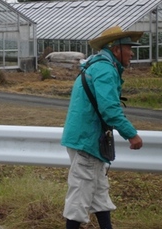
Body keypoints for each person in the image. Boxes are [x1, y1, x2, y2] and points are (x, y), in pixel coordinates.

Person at [61, 26, 144, 229]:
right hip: (87, 140)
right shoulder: (105, 70)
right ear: (116, 49)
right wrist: (131, 134)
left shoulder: (96, 66)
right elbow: (110, 109)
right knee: (81, 193)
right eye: (128, 47)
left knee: (98, 190)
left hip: (88, 139)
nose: (132, 52)